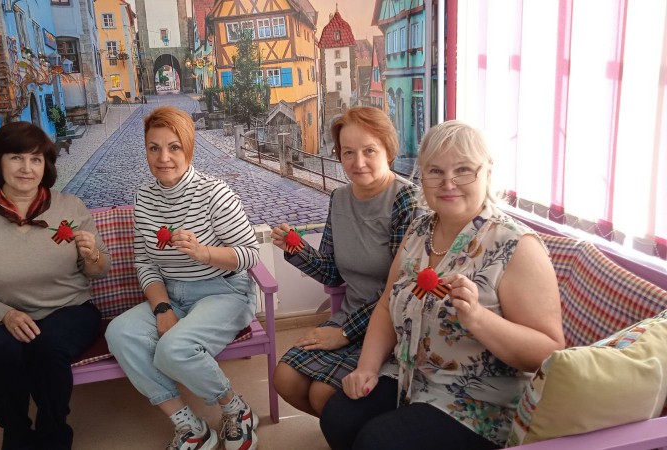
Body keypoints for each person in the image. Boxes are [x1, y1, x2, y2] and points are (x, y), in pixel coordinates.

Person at [320, 120, 565, 450]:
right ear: (422, 176)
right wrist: (366, 368)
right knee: (337, 417)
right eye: (435, 171)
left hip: (478, 401)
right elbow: (387, 303)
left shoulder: (516, 245)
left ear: (487, 172)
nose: (448, 183)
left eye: (463, 170)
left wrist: (478, 317)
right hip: (409, 376)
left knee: (377, 442)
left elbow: (548, 352)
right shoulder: (420, 230)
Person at [105, 106, 261, 450]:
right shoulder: (143, 198)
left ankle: (235, 408)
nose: (163, 158)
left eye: (174, 147)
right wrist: (162, 308)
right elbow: (145, 261)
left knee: (173, 350)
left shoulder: (214, 193)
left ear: (188, 148)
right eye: (154, 148)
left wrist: (205, 253)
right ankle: (189, 425)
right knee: (119, 333)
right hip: (173, 295)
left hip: (225, 291)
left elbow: (250, 253)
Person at [0, 121, 111, 450]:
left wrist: (92, 254)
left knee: (47, 347)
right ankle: (17, 434)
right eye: (16, 158)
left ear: (45, 166)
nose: (27, 168)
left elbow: (98, 271)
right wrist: (4, 314)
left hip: (69, 310)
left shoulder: (70, 207)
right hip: (2, 315)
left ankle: (53, 434)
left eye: (36, 159)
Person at [270, 106, 418, 417]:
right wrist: (295, 248)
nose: (358, 162)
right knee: (285, 378)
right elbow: (332, 274)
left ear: (389, 150)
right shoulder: (339, 198)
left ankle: (354, 429)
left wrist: (345, 333)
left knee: (324, 394)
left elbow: (402, 291)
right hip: (350, 318)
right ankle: (347, 430)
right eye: (348, 152)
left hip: (393, 327)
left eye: (369, 151)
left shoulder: (406, 201)